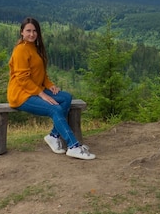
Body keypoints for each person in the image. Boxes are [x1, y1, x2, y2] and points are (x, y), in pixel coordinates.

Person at [7, 17, 95, 160]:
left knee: (66, 97)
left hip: (35, 90)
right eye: (28, 31)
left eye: (35, 31)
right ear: (21, 32)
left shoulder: (35, 48)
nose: (32, 34)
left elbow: (41, 74)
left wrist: (50, 86)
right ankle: (73, 146)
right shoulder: (20, 50)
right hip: (21, 95)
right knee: (55, 109)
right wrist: (42, 94)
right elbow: (22, 78)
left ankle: (53, 136)